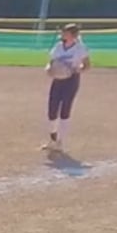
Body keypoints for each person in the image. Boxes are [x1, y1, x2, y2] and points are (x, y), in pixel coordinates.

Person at [43, 24, 91, 152]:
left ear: (72, 35)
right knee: (52, 110)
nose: (63, 34)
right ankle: (52, 139)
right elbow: (52, 62)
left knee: (65, 110)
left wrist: (77, 69)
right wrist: (49, 68)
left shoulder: (80, 48)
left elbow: (87, 65)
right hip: (57, 80)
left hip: (71, 80)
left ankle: (61, 142)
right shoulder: (59, 46)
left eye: (65, 32)